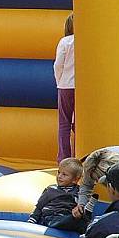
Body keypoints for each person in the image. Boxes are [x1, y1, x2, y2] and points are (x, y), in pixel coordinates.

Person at [27, 158, 87, 233]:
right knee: (65, 221)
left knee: (82, 224)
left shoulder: (79, 191)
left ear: (75, 180)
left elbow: (82, 206)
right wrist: (32, 220)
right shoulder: (51, 189)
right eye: (59, 172)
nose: (59, 176)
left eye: (64, 174)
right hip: (52, 217)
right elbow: (39, 207)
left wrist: (79, 214)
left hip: (68, 216)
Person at [54, 13, 75, 162]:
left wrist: (59, 81)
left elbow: (58, 65)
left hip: (66, 85)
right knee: (80, 123)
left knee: (64, 123)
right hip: (84, 87)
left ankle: (64, 157)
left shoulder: (66, 42)